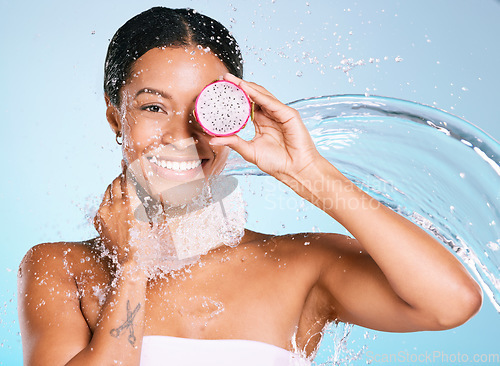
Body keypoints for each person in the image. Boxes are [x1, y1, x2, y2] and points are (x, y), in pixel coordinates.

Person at [17, 6, 482, 366]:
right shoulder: (61, 268)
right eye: (153, 107)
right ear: (116, 117)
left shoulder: (300, 264)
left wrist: (308, 173)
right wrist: (133, 266)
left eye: (205, 111)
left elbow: (451, 303)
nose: (183, 136)